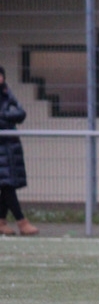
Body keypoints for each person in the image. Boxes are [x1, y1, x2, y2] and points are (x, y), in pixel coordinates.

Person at [0, 66, 38, 236]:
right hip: (2, 145)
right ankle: (21, 221)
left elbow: (21, 113)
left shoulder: (7, 93)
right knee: (7, 185)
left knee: (6, 184)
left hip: (10, 146)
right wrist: (7, 116)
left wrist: (4, 115)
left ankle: (1, 221)